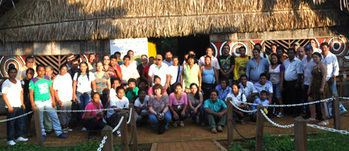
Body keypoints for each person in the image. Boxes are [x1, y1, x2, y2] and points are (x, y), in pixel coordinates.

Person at [29, 64, 68, 141]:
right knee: (40, 119)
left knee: (54, 117)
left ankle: (59, 132)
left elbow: (51, 90)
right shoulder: (33, 81)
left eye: (43, 70)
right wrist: (32, 104)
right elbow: (31, 94)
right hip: (38, 102)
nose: (42, 72)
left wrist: (53, 101)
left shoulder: (47, 78)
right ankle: (42, 134)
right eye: (40, 70)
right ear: (37, 71)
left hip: (48, 101)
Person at [3, 67, 28, 145]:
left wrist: (22, 103)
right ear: (8, 73)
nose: (13, 74)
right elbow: (4, 95)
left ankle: (18, 136)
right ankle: (10, 139)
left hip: (19, 105)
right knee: (11, 123)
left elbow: (21, 93)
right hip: (11, 106)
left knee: (19, 122)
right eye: (11, 72)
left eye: (14, 72)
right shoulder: (6, 83)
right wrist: (9, 106)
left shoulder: (18, 81)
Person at [307, 52, 331, 126]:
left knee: (323, 102)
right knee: (310, 99)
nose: (314, 59)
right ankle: (312, 117)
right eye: (313, 57)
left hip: (321, 85)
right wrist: (309, 87)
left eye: (316, 57)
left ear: (320, 57)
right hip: (314, 86)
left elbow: (324, 76)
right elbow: (312, 77)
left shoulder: (323, 65)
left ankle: (326, 120)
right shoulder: (315, 66)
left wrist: (322, 87)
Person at [283, 48, 303, 117]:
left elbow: (299, 73)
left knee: (295, 98)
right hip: (287, 82)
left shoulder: (298, 62)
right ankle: (289, 111)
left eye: (291, 53)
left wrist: (298, 83)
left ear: (294, 54)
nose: (290, 54)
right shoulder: (285, 61)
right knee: (288, 97)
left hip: (294, 82)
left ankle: (296, 112)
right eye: (288, 53)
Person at [53, 65, 73, 133]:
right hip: (61, 98)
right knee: (63, 113)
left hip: (69, 98)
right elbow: (55, 90)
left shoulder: (68, 75)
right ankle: (63, 126)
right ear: (59, 69)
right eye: (63, 69)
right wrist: (58, 99)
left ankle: (67, 126)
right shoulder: (57, 78)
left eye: (65, 69)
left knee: (68, 113)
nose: (64, 71)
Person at [302, 45, 317, 118]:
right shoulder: (303, 60)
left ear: (312, 51)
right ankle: (308, 114)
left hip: (313, 82)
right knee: (306, 99)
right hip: (305, 82)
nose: (308, 52)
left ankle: (317, 114)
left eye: (309, 51)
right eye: (306, 51)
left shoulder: (314, 60)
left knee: (314, 99)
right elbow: (303, 71)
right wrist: (302, 82)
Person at [22, 68, 35, 137]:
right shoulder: (23, 82)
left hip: (35, 100)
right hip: (27, 101)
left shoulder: (35, 81)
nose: (31, 75)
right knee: (28, 118)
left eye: (32, 73)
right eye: (29, 73)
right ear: (26, 74)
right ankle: (27, 131)